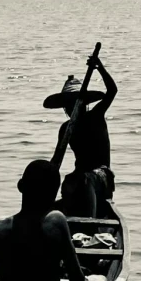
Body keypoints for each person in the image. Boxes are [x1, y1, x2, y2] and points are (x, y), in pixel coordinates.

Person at [45, 54, 118, 216]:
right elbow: (56, 161)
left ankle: (90, 221)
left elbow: (112, 91)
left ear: (84, 103)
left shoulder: (95, 116)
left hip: (101, 176)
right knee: (69, 180)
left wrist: (99, 67)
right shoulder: (66, 128)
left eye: (75, 103)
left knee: (83, 180)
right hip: (78, 177)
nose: (72, 108)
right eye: (68, 105)